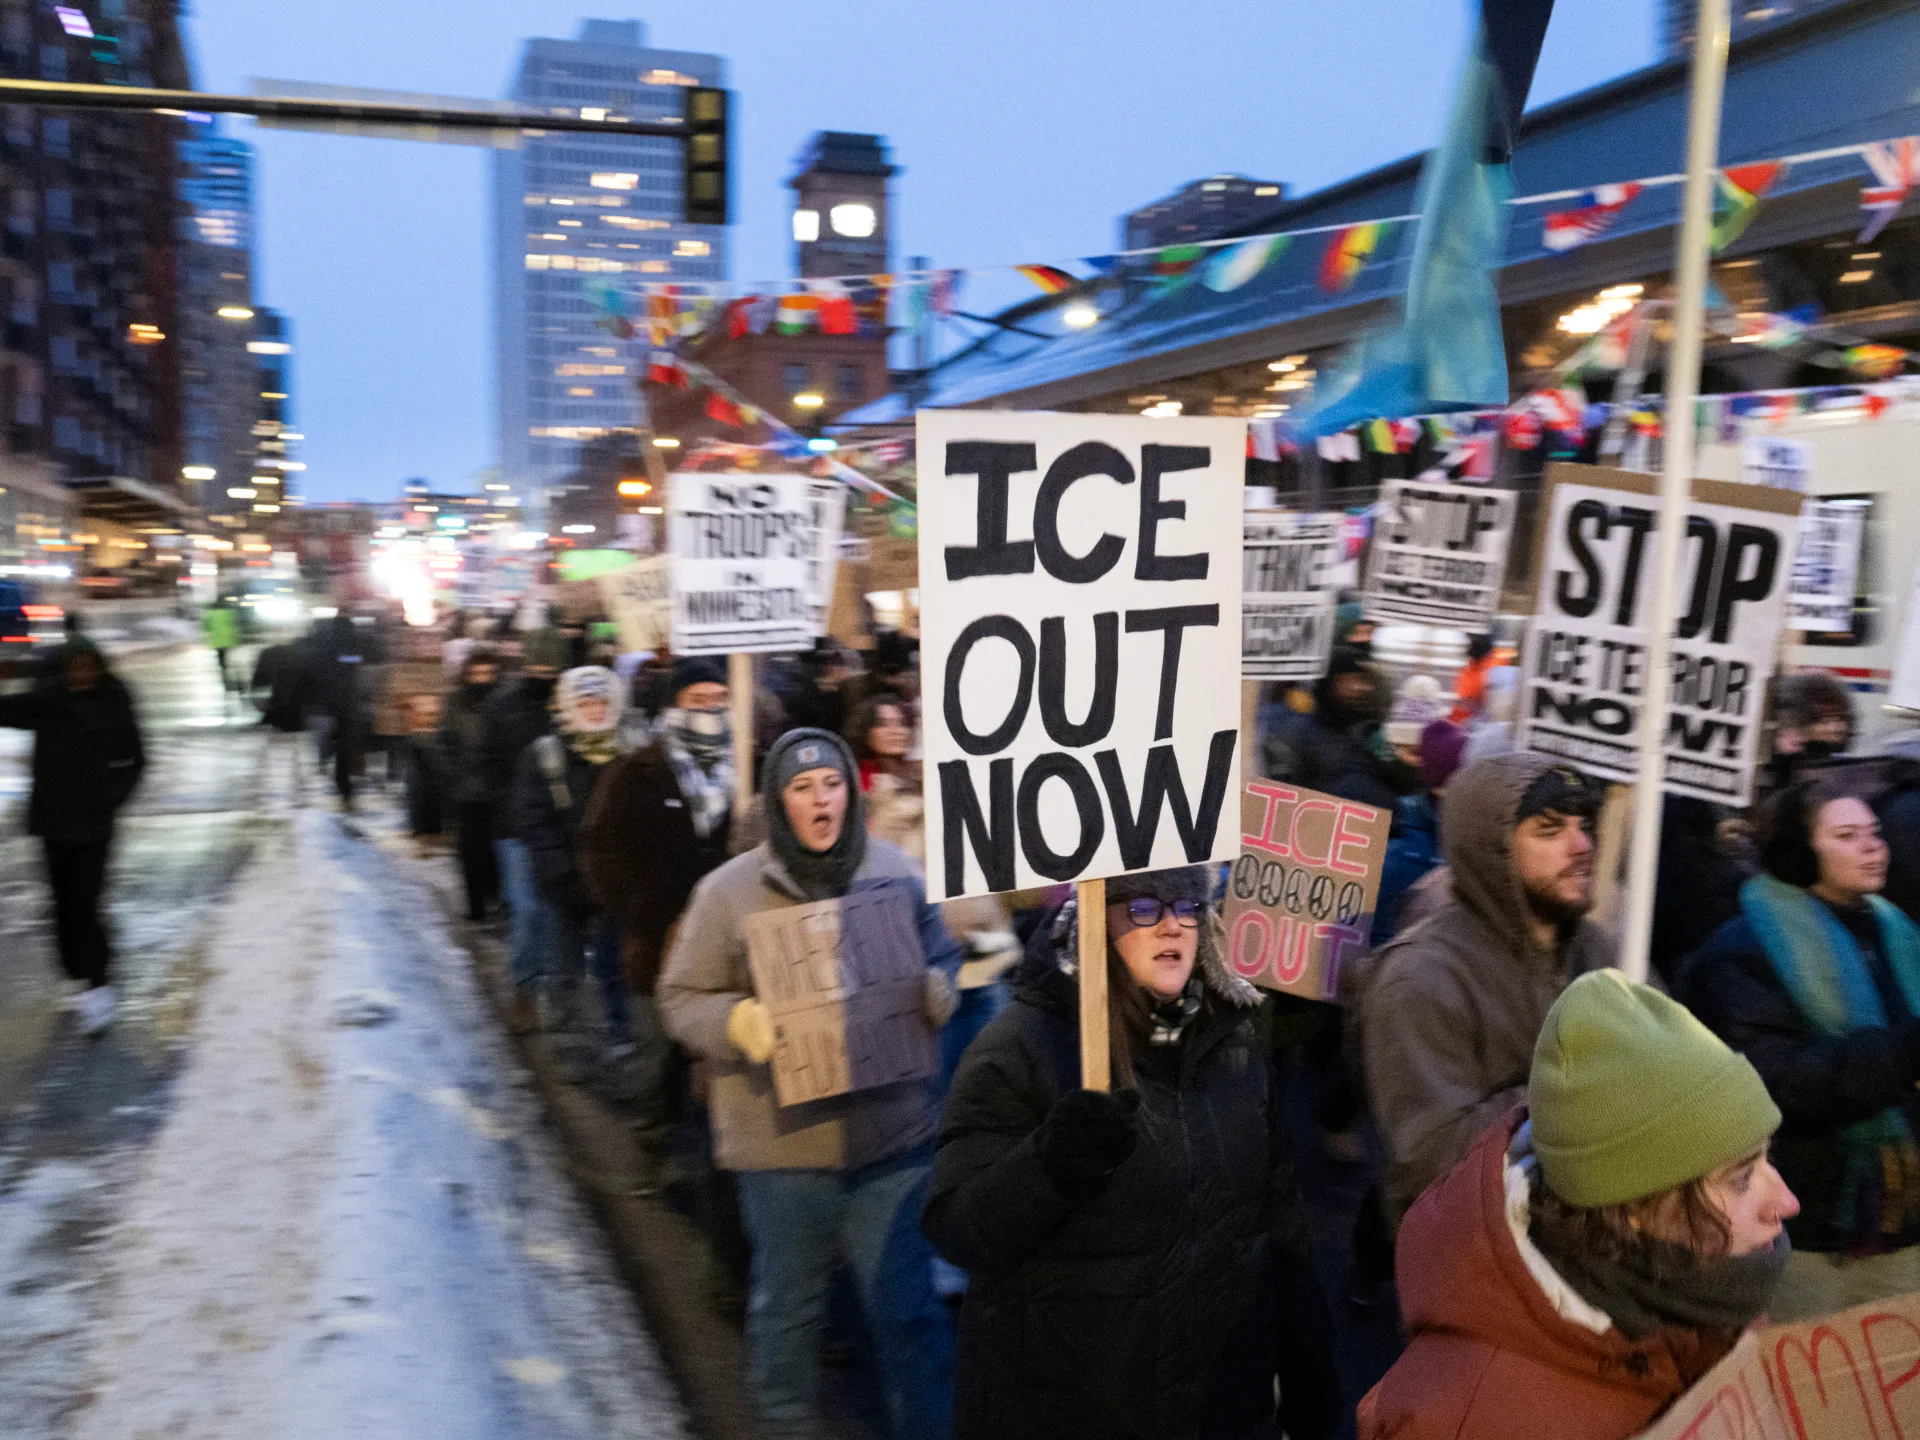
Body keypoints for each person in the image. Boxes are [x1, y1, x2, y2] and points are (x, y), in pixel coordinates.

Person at [925, 868, 1336, 1440]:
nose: (1172, 926)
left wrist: (1311, 1375)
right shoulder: (1018, 1048)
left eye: (1187, 907)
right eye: (1144, 908)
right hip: (1072, 1412)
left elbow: (1278, 1223)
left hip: (1222, 1407)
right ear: (1097, 919)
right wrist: (1047, 1167)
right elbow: (960, 1229)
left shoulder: (1233, 1041)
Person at [658, 728, 960, 1440]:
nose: (820, 800)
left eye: (831, 784)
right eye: (802, 787)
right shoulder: (728, 893)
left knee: (908, 1313)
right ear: (778, 801)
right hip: (784, 1150)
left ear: (850, 792)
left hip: (890, 1141)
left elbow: (940, 950)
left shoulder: (895, 870)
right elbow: (680, 995)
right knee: (790, 1313)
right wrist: (737, 1023)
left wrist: (937, 985)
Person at [1361, 970, 1798, 1440]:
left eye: (1766, 1159)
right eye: (1740, 1178)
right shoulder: (1466, 1420)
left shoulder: (1704, 1299)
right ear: (1630, 1208)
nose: (1787, 1202)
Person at [1678, 778, 1920, 1319]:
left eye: (1875, 833)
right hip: (1804, 1230)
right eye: (1847, 836)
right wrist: (1906, 1054)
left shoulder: (1898, 934)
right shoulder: (1743, 951)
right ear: (1798, 852)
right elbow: (1773, 1083)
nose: (1872, 847)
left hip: (1903, 1223)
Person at [1357, 754, 1612, 1229]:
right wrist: (1583, 1085)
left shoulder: (1598, 948)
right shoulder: (1420, 976)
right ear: (1491, 851)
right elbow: (1432, 1158)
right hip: (1473, 1248)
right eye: (1549, 830)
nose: (1582, 846)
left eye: (1584, 826)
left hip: (1582, 1237)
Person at [579, 656, 736, 1182]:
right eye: (698, 701)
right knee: (659, 1055)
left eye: (718, 700)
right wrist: (645, 914)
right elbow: (600, 851)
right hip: (657, 945)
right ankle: (652, 1148)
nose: (711, 710)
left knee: (721, 1056)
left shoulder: (748, 767)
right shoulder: (635, 773)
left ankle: (715, 1168)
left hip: (730, 948)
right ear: (673, 707)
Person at [0, 639, 145, 1034]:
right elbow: (8, 709)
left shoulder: (114, 699)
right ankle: (76, 974)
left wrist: (112, 798)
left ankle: (98, 985)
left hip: (95, 824)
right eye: (74, 667)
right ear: (64, 669)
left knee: (87, 905)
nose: (81, 674)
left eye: (88, 667)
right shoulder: (47, 699)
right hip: (52, 823)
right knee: (61, 906)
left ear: (98, 667)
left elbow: (136, 758)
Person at [514, 666, 633, 1052]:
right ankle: (569, 1044)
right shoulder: (545, 755)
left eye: (601, 703)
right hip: (564, 885)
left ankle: (619, 1034)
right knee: (564, 967)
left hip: (614, 882)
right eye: (586, 703)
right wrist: (563, 872)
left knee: (616, 964)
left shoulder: (628, 751)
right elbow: (534, 820)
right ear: (569, 707)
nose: (595, 711)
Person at [485, 628, 565, 1028]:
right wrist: (509, 807)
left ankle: (555, 986)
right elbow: (486, 765)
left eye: (551, 668)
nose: (544, 674)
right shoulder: (503, 707)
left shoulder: (568, 705)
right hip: (513, 828)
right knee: (527, 910)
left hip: (559, 825)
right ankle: (526, 987)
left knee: (554, 912)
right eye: (538, 667)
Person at [437, 647, 503, 923]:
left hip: (497, 791)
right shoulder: (455, 702)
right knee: (470, 851)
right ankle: (476, 905)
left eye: (487, 673)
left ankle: (495, 898)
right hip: (466, 791)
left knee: (495, 850)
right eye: (477, 673)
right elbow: (444, 742)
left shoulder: (503, 702)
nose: (482, 678)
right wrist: (454, 775)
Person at [202, 595, 241, 692]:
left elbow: (206, 627)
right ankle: (233, 676)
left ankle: (225, 677)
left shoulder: (210, 613)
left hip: (217, 640)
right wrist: (237, 638)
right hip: (229, 639)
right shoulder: (229, 612)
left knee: (222, 660)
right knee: (231, 658)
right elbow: (235, 624)